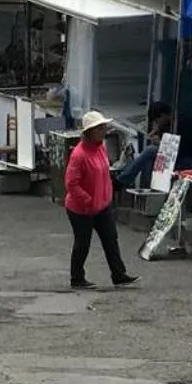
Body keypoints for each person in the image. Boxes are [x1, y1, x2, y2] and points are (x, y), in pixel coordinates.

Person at [65, 111, 135, 290]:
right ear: (91, 131)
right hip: (81, 208)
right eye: (101, 128)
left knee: (111, 239)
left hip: (101, 204)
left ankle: (118, 274)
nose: (105, 130)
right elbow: (71, 184)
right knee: (83, 243)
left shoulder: (100, 148)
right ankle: (77, 278)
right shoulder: (79, 155)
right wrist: (87, 200)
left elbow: (104, 174)